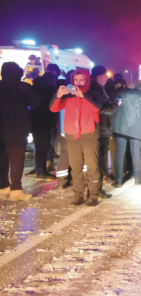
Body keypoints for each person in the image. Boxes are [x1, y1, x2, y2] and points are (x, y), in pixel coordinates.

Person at [49, 70, 106, 206]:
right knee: (76, 167)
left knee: (92, 167)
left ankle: (93, 195)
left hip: (89, 135)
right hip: (71, 136)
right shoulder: (67, 95)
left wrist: (84, 96)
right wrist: (58, 95)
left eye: (82, 80)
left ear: (87, 80)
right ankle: (78, 195)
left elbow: (97, 108)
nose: (78, 83)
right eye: (76, 80)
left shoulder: (93, 93)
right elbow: (53, 108)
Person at [0, 62, 41, 201]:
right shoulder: (22, 87)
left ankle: (3, 187)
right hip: (17, 127)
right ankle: (16, 190)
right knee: (16, 158)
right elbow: (36, 103)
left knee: (2, 158)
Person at [111, 78, 141, 187]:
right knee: (136, 153)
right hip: (135, 128)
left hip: (119, 126)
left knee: (119, 153)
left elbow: (114, 107)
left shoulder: (122, 93)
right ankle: (138, 179)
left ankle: (118, 180)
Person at [29, 64, 61, 180]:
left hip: (35, 120)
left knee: (39, 146)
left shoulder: (36, 86)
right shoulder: (50, 90)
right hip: (45, 121)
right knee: (44, 146)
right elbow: (52, 107)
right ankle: (41, 171)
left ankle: (39, 169)